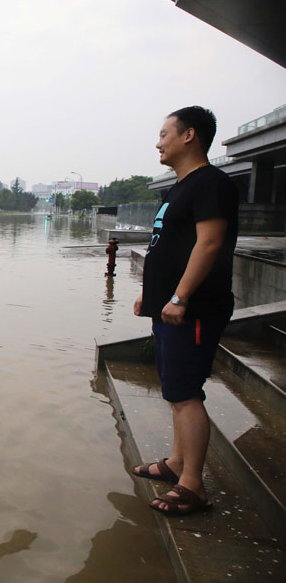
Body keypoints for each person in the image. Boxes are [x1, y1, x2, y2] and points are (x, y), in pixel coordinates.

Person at [132, 106, 239, 516]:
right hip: (169, 309)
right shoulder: (177, 189)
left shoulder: (210, 183)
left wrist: (179, 298)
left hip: (193, 310)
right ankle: (177, 462)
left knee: (186, 395)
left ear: (189, 135)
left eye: (164, 134)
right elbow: (168, 247)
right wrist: (153, 295)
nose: (158, 142)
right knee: (175, 390)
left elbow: (208, 244)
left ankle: (193, 485)